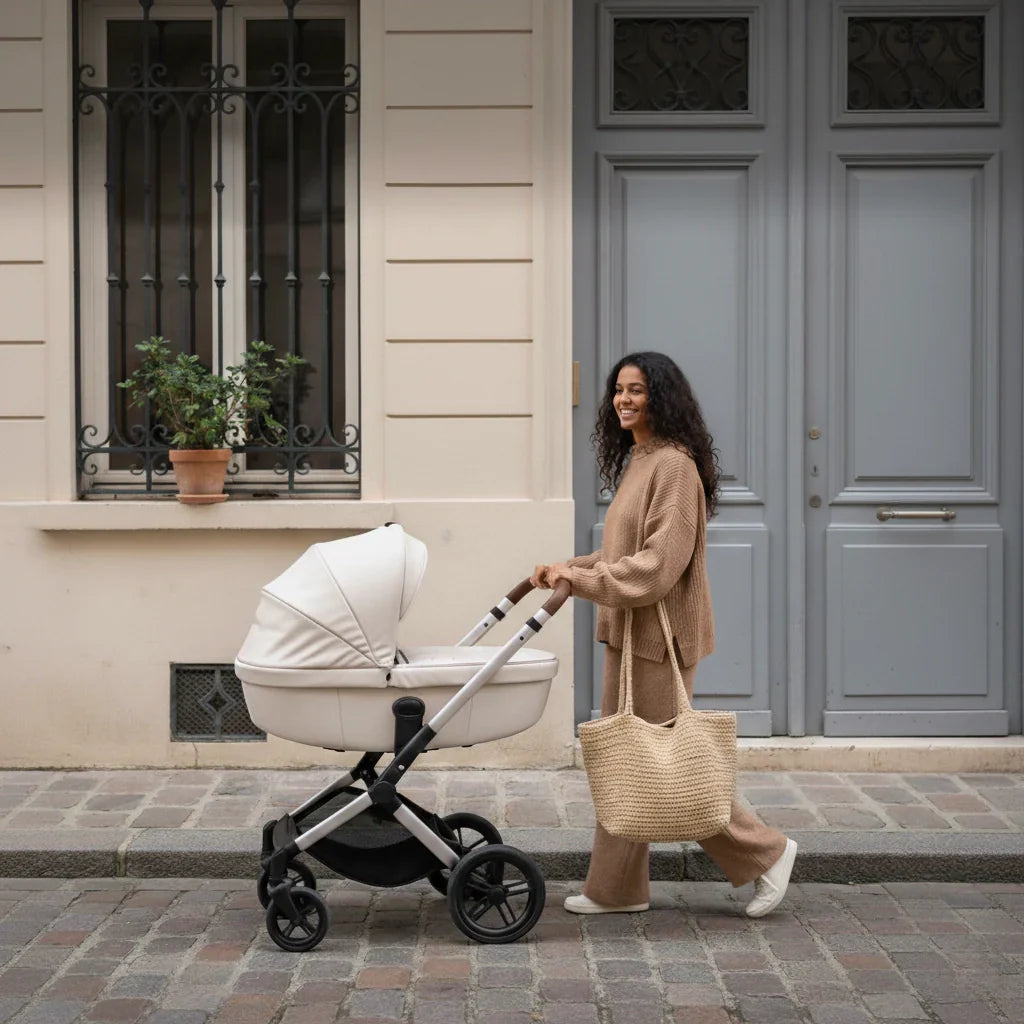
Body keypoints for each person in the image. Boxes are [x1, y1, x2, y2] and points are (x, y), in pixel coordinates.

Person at [531, 351, 797, 917]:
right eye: (619, 391)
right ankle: (617, 890)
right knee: (627, 758)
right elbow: (619, 553)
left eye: (637, 391)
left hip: (660, 636)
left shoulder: (674, 466)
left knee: (666, 765)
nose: (624, 400)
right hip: (631, 632)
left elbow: (656, 566)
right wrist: (569, 568)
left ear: (663, 397)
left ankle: (767, 854)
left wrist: (580, 581)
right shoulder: (641, 458)